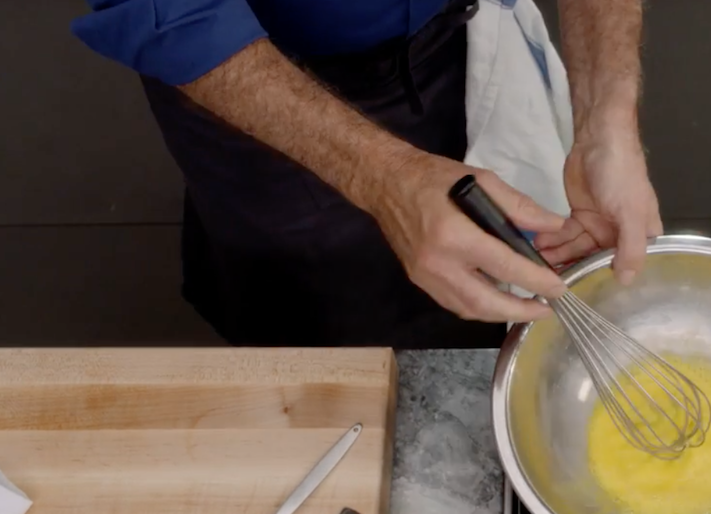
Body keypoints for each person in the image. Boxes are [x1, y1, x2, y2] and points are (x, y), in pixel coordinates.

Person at [70, 0, 662, 349]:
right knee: (316, 321)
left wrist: (607, 113)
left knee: (468, 284)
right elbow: (172, 12)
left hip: (449, 34)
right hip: (259, 74)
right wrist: (383, 178)